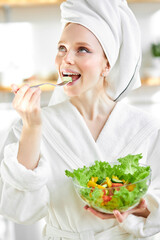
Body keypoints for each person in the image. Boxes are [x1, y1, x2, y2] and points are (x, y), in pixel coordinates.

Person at [0, 0, 160, 239]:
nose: (66, 60)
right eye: (62, 48)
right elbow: (20, 211)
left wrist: (142, 209)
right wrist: (32, 128)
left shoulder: (144, 128)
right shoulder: (31, 125)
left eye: (82, 49)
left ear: (107, 63)